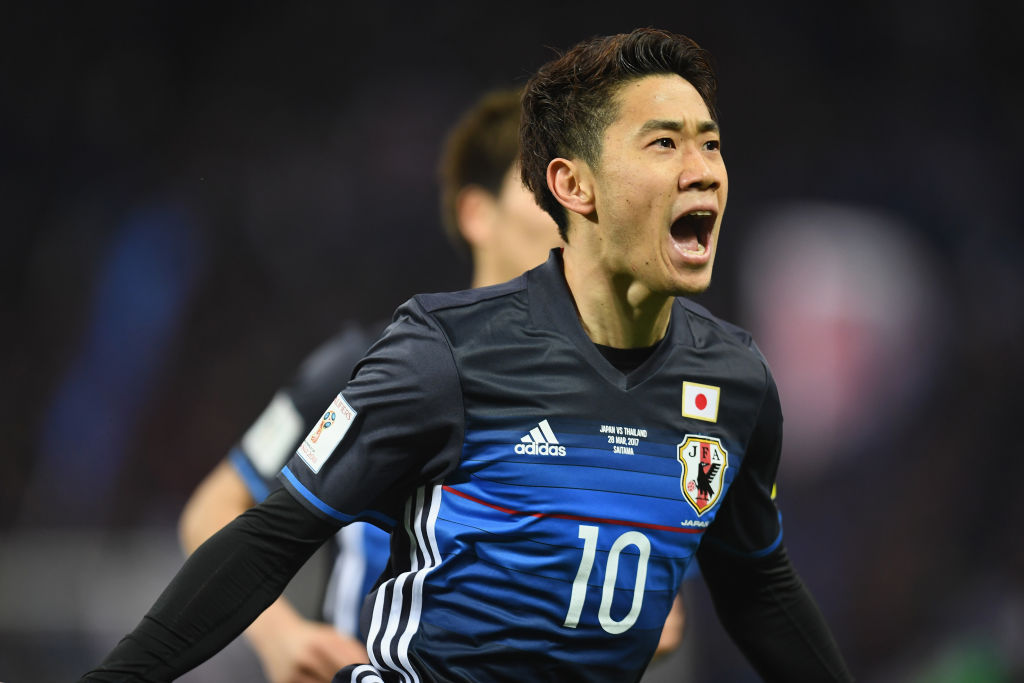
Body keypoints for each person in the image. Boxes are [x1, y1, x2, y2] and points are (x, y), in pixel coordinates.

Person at [80, 28, 852, 682]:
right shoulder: (427, 355)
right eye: (663, 143)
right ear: (570, 188)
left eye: (710, 143)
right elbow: (267, 533)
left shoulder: (733, 381)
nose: (703, 168)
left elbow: (758, 584)